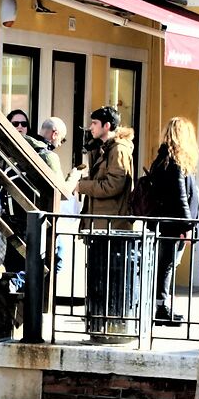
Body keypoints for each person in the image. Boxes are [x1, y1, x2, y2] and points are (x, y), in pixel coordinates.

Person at [75, 107, 137, 337]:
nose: (90, 127)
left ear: (107, 125)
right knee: (97, 273)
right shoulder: (103, 148)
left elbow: (114, 185)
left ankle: (108, 321)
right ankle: (97, 317)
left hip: (111, 224)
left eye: (94, 123)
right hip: (99, 222)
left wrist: (82, 186)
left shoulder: (118, 150)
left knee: (109, 275)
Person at [138, 114, 199, 325]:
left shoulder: (163, 160)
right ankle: (160, 307)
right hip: (173, 225)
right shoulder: (174, 163)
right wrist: (188, 226)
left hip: (166, 223)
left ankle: (160, 306)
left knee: (165, 264)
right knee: (167, 265)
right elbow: (181, 198)